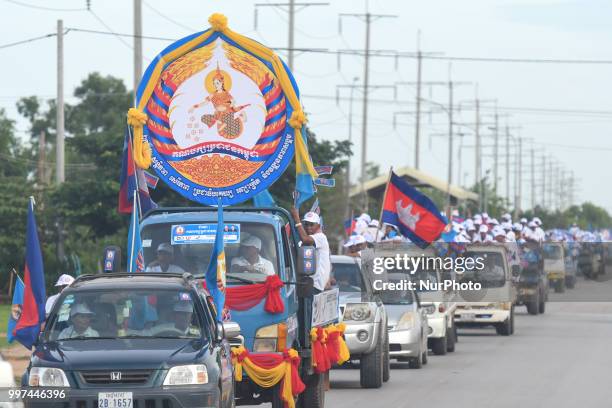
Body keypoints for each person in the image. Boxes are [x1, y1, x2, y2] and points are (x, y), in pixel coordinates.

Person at [290, 208, 331, 293]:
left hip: (315, 285)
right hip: (307, 283)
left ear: (318, 226)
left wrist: (297, 219)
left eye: (311, 224)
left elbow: (305, 239)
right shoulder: (305, 239)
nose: (308, 227)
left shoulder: (321, 237)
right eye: (306, 224)